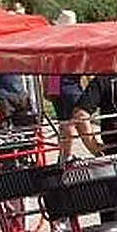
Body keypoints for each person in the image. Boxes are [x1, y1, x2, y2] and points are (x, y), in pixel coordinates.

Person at [44, 10, 83, 161]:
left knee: (63, 123)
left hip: (56, 82)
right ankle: (67, 155)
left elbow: (48, 67)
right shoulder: (76, 44)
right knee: (72, 123)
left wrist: (47, 87)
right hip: (70, 85)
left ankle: (64, 153)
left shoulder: (53, 43)